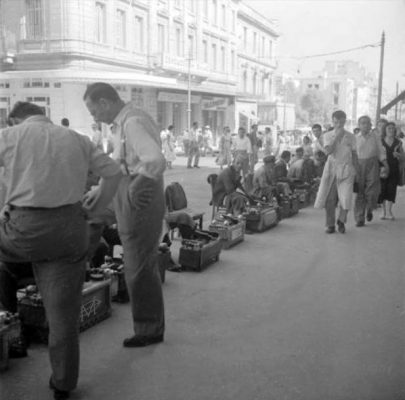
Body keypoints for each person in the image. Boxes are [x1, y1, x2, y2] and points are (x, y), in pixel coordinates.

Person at [0, 101, 122, 399]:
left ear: (16, 119)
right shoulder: (76, 139)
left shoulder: (8, 136)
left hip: (21, 232)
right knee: (63, 317)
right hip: (68, 231)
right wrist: (97, 204)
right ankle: (63, 383)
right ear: (46, 117)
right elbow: (114, 172)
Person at [83, 82, 166, 348]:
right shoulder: (122, 124)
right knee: (88, 217)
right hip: (124, 186)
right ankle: (82, 275)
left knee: (138, 265)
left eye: (93, 109)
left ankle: (149, 329)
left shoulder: (132, 122)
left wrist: (138, 186)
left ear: (105, 103)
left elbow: (154, 159)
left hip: (138, 191)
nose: (93, 116)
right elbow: (120, 161)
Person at [314, 110, 359, 234]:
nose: (339, 124)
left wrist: (357, 171)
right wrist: (337, 136)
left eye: (341, 121)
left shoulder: (351, 136)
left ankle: (341, 220)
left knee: (346, 198)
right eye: (336, 122)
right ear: (332, 121)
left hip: (347, 169)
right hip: (332, 169)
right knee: (330, 199)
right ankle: (330, 225)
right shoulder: (327, 135)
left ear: (345, 121)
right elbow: (328, 151)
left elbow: (354, 154)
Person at [354, 115, 388, 226]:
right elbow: (351, 154)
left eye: (367, 123)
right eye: (362, 123)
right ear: (359, 125)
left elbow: (381, 151)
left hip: (373, 164)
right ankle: (360, 218)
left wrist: (385, 164)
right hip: (359, 165)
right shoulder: (355, 138)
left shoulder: (375, 137)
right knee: (360, 192)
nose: (365, 125)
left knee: (373, 191)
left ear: (370, 125)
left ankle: (369, 208)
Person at [379, 122, 403, 220]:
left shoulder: (398, 142)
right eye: (389, 128)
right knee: (382, 190)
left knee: (391, 190)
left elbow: (403, 157)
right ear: (385, 130)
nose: (391, 130)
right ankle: (383, 211)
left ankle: (389, 211)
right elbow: (376, 155)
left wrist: (398, 155)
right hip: (382, 168)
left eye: (393, 128)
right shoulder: (380, 141)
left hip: (394, 169)